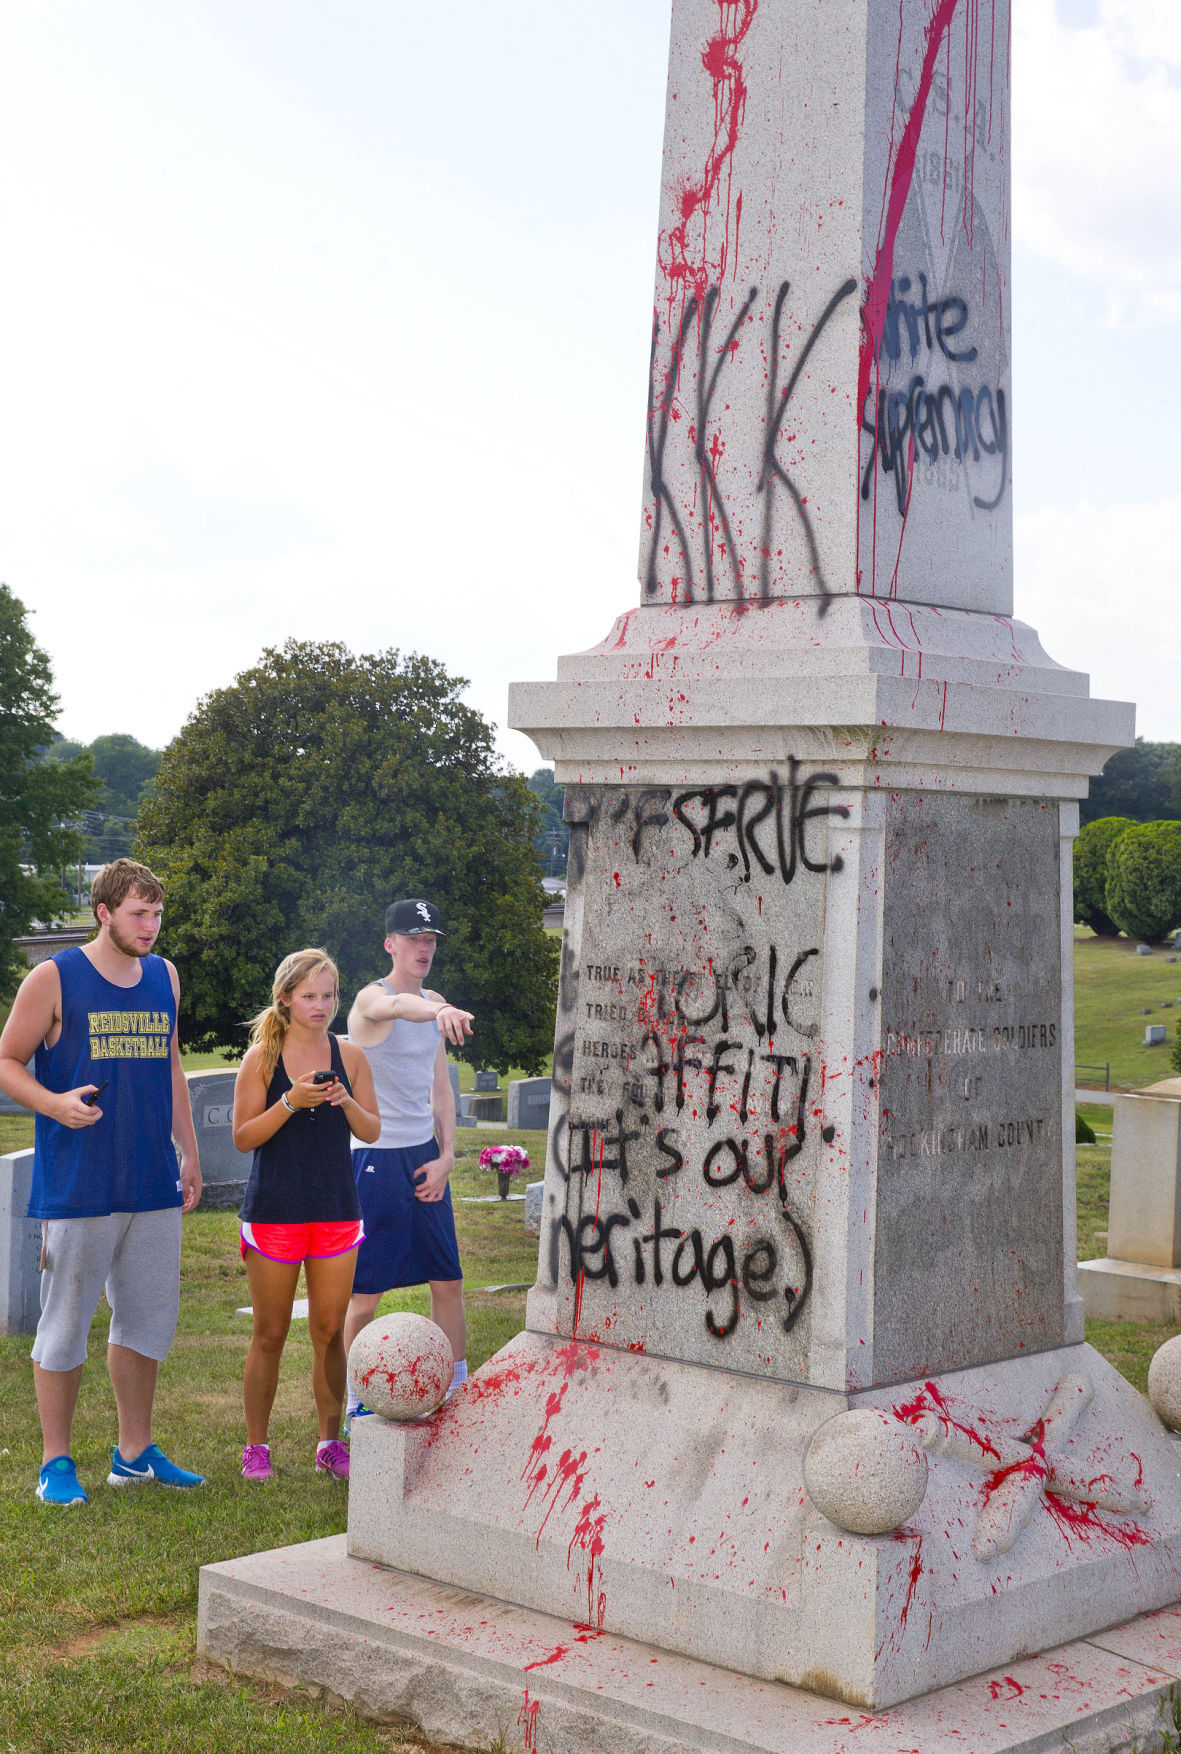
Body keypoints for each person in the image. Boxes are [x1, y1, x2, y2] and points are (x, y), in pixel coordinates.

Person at [0, 858, 204, 1506]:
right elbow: (7, 1061)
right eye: (139, 913)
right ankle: (55, 1464)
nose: (151, 926)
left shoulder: (165, 977)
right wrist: (54, 1102)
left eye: (158, 914)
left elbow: (171, 1064)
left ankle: (134, 1453)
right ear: (104, 912)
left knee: (146, 1324)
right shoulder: (53, 979)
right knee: (64, 1325)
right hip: (79, 1182)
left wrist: (190, 1152)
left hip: (150, 1180)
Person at [232, 948, 381, 1482]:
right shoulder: (261, 1060)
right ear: (286, 998)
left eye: (329, 995)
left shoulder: (352, 1055)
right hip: (274, 1212)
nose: (321, 1006)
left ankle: (328, 1441)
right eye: (310, 995)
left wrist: (344, 1101)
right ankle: (256, 1447)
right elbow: (244, 1137)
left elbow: (371, 1132)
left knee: (328, 1330)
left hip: (337, 1209)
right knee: (270, 1333)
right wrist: (291, 1101)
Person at [342, 898, 474, 1423]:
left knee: (448, 1281)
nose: (424, 948)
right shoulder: (371, 999)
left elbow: (440, 1090)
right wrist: (437, 1011)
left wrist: (446, 1157)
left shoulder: (434, 1003)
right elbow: (398, 1009)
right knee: (365, 1294)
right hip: (374, 1157)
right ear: (389, 944)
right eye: (414, 938)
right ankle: (358, 1398)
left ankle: (459, 1392)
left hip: (423, 1156)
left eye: (431, 940)